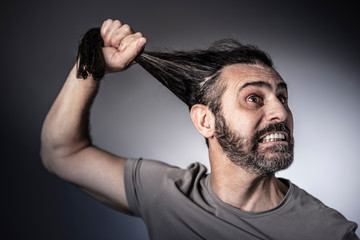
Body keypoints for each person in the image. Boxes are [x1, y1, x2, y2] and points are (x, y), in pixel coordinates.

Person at [40, 19, 359, 240]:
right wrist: (89, 65)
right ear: (206, 121)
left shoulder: (327, 232)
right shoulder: (167, 194)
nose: (281, 111)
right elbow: (61, 153)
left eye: (283, 97)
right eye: (253, 98)